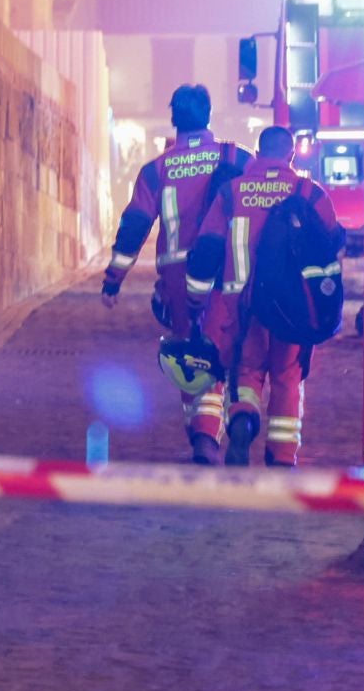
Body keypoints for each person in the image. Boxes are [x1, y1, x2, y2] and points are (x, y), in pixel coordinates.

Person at [101, 84, 249, 464]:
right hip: (230, 269)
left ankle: (202, 435)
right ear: (208, 116)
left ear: (174, 119)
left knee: (192, 350)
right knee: (233, 349)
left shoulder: (156, 170)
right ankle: (223, 427)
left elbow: (135, 226)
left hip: (177, 275)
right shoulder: (234, 156)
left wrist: (114, 279)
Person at [186, 126, 342, 467]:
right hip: (290, 308)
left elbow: (207, 248)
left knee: (246, 371)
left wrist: (195, 299)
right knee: (287, 377)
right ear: (290, 156)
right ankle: (283, 456)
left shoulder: (231, 192)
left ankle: (242, 421)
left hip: (239, 304)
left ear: (257, 154)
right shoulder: (309, 192)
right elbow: (332, 242)